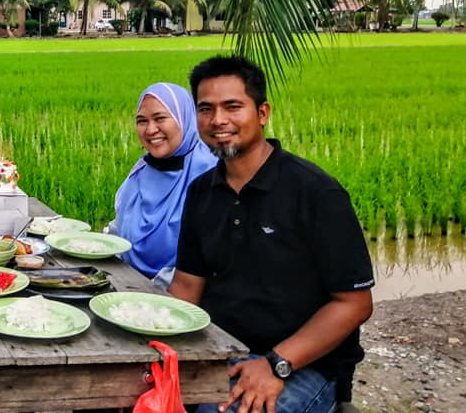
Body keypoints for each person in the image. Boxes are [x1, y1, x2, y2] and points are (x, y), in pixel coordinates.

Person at [169, 56, 374, 413]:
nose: (218, 120)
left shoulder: (315, 193)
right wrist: (158, 347)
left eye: (233, 106)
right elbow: (188, 285)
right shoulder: (203, 191)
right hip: (221, 346)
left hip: (304, 362)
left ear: (262, 112)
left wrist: (277, 363)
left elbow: (354, 303)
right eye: (206, 109)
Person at [109, 82, 218, 287]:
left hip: (183, 298)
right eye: (142, 121)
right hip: (123, 285)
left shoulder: (209, 175)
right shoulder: (142, 171)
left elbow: (208, 258)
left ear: (184, 118)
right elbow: (118, 230)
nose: (150, 129)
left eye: (160, 118)